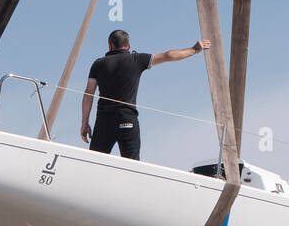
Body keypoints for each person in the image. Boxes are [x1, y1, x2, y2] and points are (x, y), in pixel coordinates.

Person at [80, 29, 211, 160]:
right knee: (132, 167)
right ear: (129, 46)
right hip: (127, 118)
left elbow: (88, 94)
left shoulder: (98, 64)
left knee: (94, 163)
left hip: (104, 120)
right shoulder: (136, 59)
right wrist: (194, 50)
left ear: (110, 45)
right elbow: (168, 55)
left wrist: (84, 123)